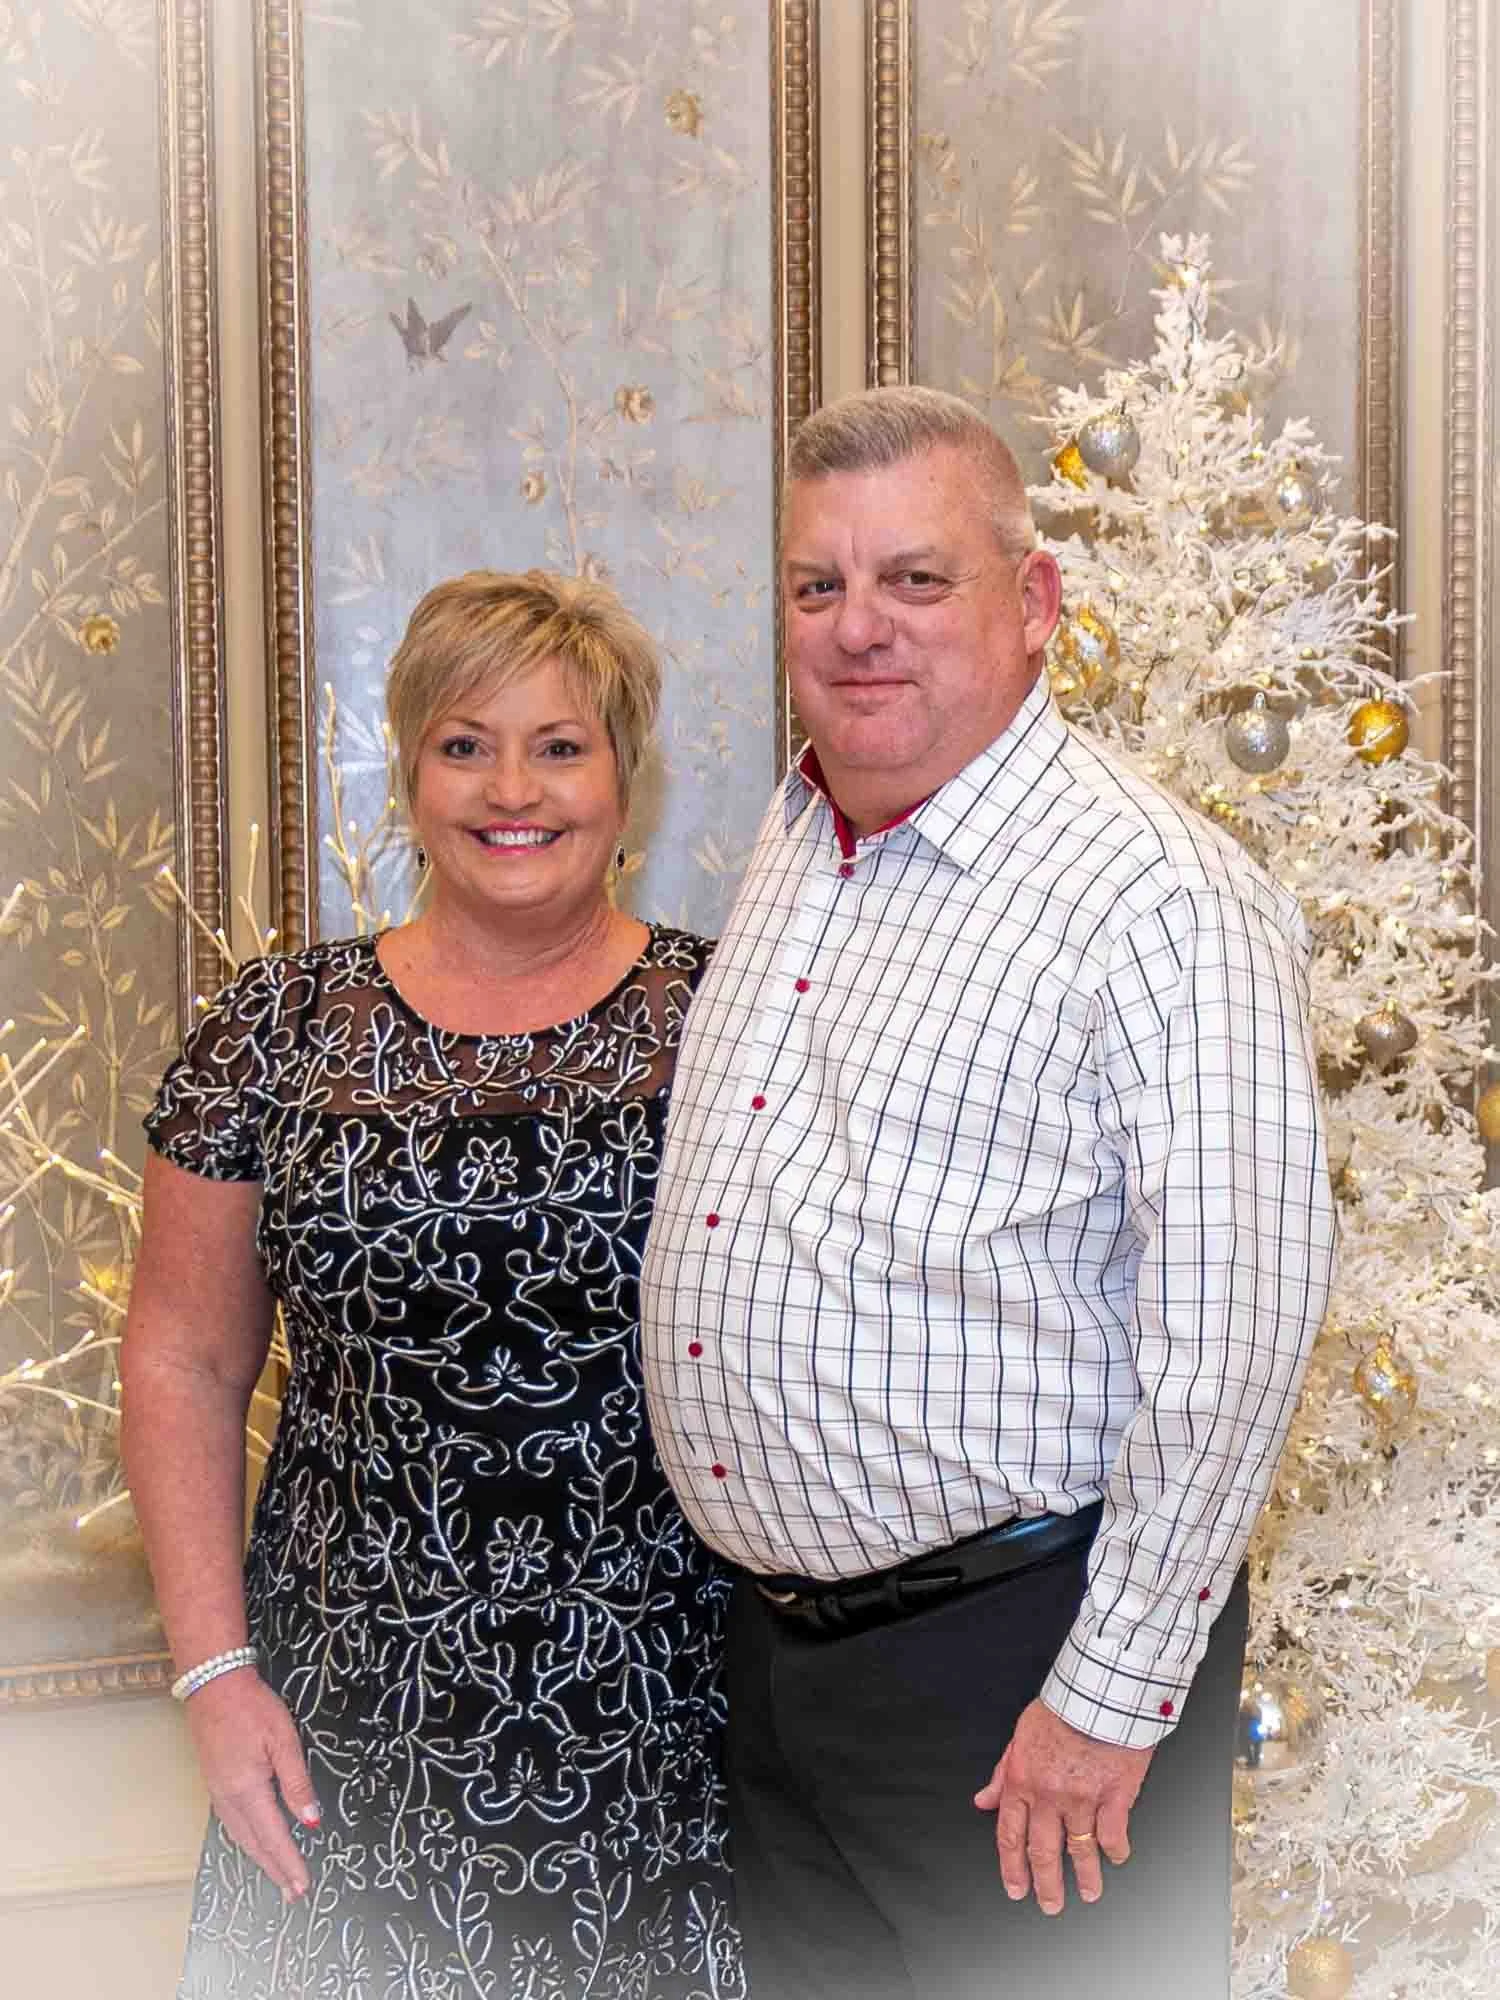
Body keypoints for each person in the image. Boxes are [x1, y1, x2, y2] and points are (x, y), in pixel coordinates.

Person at [639, 386, 1337, 2000]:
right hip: (786, 1657)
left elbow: (1232, 1337)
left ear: (1033, 607)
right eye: (819, 587)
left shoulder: (1154, 897)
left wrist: (1109, 1697)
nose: (859, 628)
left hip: (1014, 1665)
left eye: (917, 580)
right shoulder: (809, 828)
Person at [122, 570, 742, 1999]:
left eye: (560, 745)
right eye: (465, 743)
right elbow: (181, 1364)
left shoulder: (733, 1021)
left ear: (626, 782)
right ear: (406, 768)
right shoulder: (272, 1031)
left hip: (673, 1709)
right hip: (345, 1710)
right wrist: (218, 1684)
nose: (510, 787)